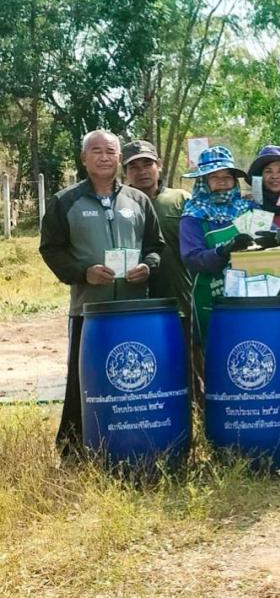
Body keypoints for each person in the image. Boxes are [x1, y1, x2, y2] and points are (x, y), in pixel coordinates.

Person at [39, 130, 164, 456]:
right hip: (89, 311)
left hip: (134, 311)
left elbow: (155, 246)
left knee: (133, 379)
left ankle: (137, 446)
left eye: (110, 151)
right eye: (96, 151)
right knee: (83, 380)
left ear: (119, 158)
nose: (104, 157)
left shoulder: (138, 201)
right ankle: (73, 452)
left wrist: (148, 266)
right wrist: (84, 273)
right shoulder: (65, 202)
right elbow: (51, 249)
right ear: (84, 158)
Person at [180, 146, 280, 344]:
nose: (222, 181)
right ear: (203, 181)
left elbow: (277, 232)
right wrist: (223, 251)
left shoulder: (248, 207)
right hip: (213, 298)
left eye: (227, 176)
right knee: (219, 352)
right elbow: (192, 258)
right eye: (214, 176)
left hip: (253, 296)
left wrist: (279, 238)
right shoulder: (192, 216)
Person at [121, 139, 196, 393]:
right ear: (125, 172)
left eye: (147, 164)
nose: (141, 171)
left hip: (179, 297)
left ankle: (195, 412)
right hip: (135, 299)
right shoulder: (119, 204)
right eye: (133, 166)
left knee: (189, 364)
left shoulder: (181, 199)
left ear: (159, 166)